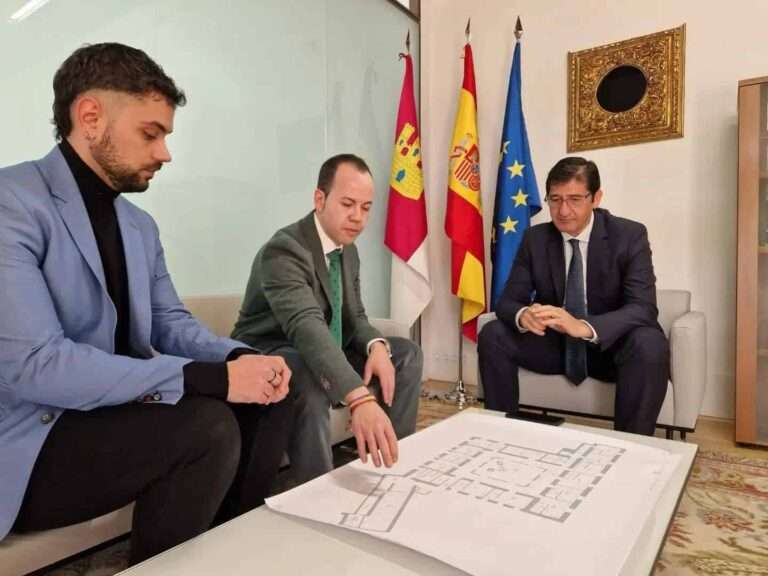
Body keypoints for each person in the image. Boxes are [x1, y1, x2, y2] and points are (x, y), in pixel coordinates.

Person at [0, 42, 294, 565]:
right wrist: (205, 378)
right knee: (204, 428)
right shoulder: (13, 202)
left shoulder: (139, 226)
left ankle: (224, 552)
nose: (165, 153)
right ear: (90, 117)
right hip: (34, 438)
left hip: (115, 413)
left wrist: (240, 359)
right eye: (150, 133)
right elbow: (36, 365)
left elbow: (169, 322)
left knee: (270, 399)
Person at [232, 154, 423, 483]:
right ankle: (317, 490)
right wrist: (359, 396)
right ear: (319, 199)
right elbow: (306, 328)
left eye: (365, 207)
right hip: (274, 349)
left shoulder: (348, 251)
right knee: (306, 372)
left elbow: (355, 317)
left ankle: (392, 462)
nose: (357, 217)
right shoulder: (284, 250)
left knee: (406, 354)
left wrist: (377, 346)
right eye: (348, 204)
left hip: (320, 347)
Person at [478, 157, 668, 435]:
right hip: (557, 346)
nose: (563, 210)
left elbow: (643, 308)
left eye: (575, 199)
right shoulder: (535, 239)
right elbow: (507, 301)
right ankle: (501, 434)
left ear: (596, 198)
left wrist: (584, 326)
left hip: (609, 349)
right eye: (555, 200)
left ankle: (632, 446)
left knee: (649, 342)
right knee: (494, 333)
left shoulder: (629, 235)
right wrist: (524, 314)